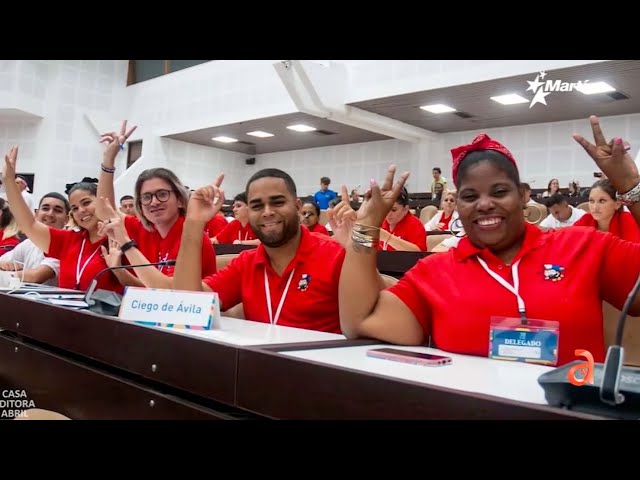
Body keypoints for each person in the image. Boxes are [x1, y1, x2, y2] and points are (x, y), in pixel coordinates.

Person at [338, 116, 640, 367]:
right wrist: (366, 227)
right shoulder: (436, 272)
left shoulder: (583, 246)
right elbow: (359, 320)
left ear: (523, 195)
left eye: (499, 192)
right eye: (469, 196)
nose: (484, 204)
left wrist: (633, 188)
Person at [173, 170, 361, 333]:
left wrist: (360, 244)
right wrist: (193, 223)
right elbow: (189, 305)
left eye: (277, 202)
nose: (267, 212)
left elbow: (371, 313)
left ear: (297, 207)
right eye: (256, 206)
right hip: (259, 366)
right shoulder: (245, 263)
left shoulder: (336, 254)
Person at [96, 120, 217, 288]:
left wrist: (126, 244)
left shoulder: (192, 238)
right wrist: (108, 159)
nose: (154, 202)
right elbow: (104, 210)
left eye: (162, 194)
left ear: (180, 200)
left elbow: (170, 292)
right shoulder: (145, 228)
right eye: (146, 197)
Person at [2, 147, 125, 293]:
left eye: (86, 203)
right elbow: (29, 224)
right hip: (66, 314)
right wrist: (8, 181)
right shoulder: (69, 240)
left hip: (103, 315)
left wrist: (108, 162)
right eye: (74, 208)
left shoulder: (121, 239)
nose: (81, 210)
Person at [0, 192, 69, 286]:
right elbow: (3, 261)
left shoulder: (67, 243)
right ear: (36, 214)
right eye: (45, 208)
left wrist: (5, 275)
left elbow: (36, 276)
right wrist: (3, 265)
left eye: (57, 210)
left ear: (67, 219)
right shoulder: (28, 243)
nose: (50, 214)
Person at [572, 178, 640, 242]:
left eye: (602, 201)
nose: (595, 207)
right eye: (591, 201)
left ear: (617, 204)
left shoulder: (628, 220)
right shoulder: (585, 220)